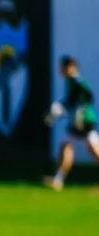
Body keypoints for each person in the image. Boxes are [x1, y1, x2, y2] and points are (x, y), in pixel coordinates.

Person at [44, 55, 99, 191]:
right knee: (65, 146)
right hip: (77, 121)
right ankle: (58, 179)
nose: (60, 70)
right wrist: (60, 108)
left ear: (69, 67)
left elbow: (88, 95)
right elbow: (71, 100)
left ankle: (58, 179)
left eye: (62, 67)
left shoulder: (77, 81)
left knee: (94, 150)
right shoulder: (70, 81)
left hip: (84, 121)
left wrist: (75, 109)